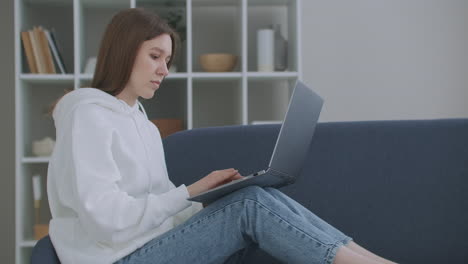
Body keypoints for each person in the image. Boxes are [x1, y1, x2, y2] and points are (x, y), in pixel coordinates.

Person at [47, 8, 398, 264]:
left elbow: (159, 214)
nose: (163, 70)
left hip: (147, 247)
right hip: (116, 258)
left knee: (254, 193)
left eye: (167, 60)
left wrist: (207, 197)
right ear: (125, 51)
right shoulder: (88, 115)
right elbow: (106, 221)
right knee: (249, 207)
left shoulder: (143, 124)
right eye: (155, 56)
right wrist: (188, 193)